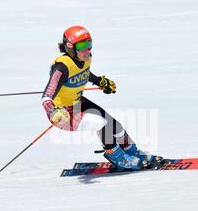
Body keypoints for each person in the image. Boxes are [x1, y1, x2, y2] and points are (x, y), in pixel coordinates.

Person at [41, 25, 153, 170]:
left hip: (77, 103)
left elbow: (84, 73)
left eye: (89, 44)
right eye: (82, 45)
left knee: (113, 125)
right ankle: (118, 157)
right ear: (70, 47)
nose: (87, 49)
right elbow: (46, 97)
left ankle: (132, 152)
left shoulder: (87, 58)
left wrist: (100, 81)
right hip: (63, 115)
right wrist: (54, 111)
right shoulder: (61, 68)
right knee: (102, 123)